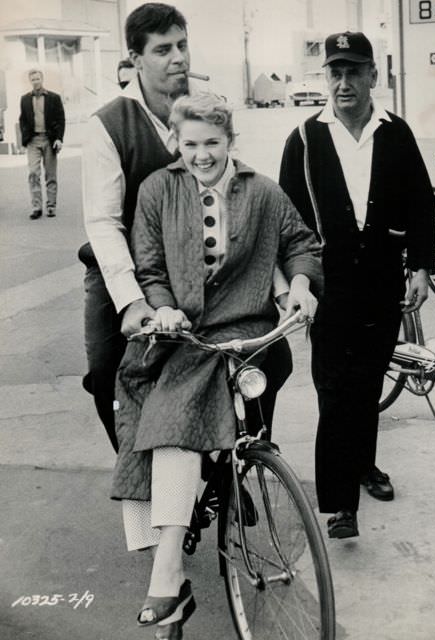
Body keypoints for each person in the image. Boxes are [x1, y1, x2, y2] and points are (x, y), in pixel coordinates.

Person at [110, 92, 323, 639]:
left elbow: (301, 243)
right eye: (190, 143)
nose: (201, 154)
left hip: (247, 330)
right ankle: (169, 562)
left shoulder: (263, 191)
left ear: (231, 141)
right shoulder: (159, 188)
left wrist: (300, 285)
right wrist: (161, 307)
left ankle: (170, 572)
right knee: (174, 414)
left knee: (191, 405)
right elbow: (149, 265)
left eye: (212, 142)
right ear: (176, 143)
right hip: (179, 331)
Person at [279, 31, 435, 539]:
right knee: (334, 388)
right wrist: (294, 284)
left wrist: (421, 267)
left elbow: (420, 203)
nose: (344, 82)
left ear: (374, 75)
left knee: (367, 383)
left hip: (382, 283)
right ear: (326, 77)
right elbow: (287, 218)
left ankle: (364, 466)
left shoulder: (396, 133)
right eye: (335, 72)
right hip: (328, 288)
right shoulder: (304, 138)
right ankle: (341, 502)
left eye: (354, 71)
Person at [80, 3, 191, 452]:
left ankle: (226, 469)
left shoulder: (200, 110)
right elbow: (103, 223)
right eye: (164, 49)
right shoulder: (108, 124)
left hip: (188, 268)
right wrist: (130, 302)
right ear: (135, 59)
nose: (179, 58)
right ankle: (138, 473)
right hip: (118, 274)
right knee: (108, 374)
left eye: (183, 46)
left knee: (241, 365)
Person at [19, 69, 65, 219]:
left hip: (49, 140)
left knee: (50, 174)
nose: (36, 82)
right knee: (33, 173)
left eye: (38, 79)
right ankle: (36, 207)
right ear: (30, 81)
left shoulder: (54, 98)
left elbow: (61, 119)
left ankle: (51, 206)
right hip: (33, 141)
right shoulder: (25, 99)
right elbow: (23, 120)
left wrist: (59, 138)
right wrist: (24, 139)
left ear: (42, 79)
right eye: (33, 80)